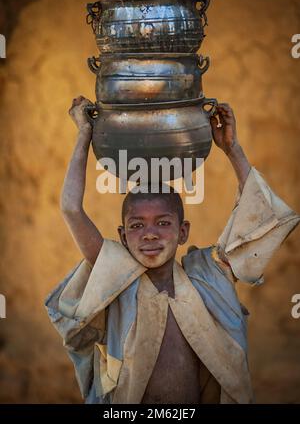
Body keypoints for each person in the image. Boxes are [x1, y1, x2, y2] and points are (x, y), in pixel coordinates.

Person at [45, 96, 300, 404]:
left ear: (183, 232)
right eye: (137, 226)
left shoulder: (207, 278)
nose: (149, 235)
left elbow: (259, 221)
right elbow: (71, 209)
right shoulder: (116, 282)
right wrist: (84, 134)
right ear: (122, 237)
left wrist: (231, 149)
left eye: (162, 223)